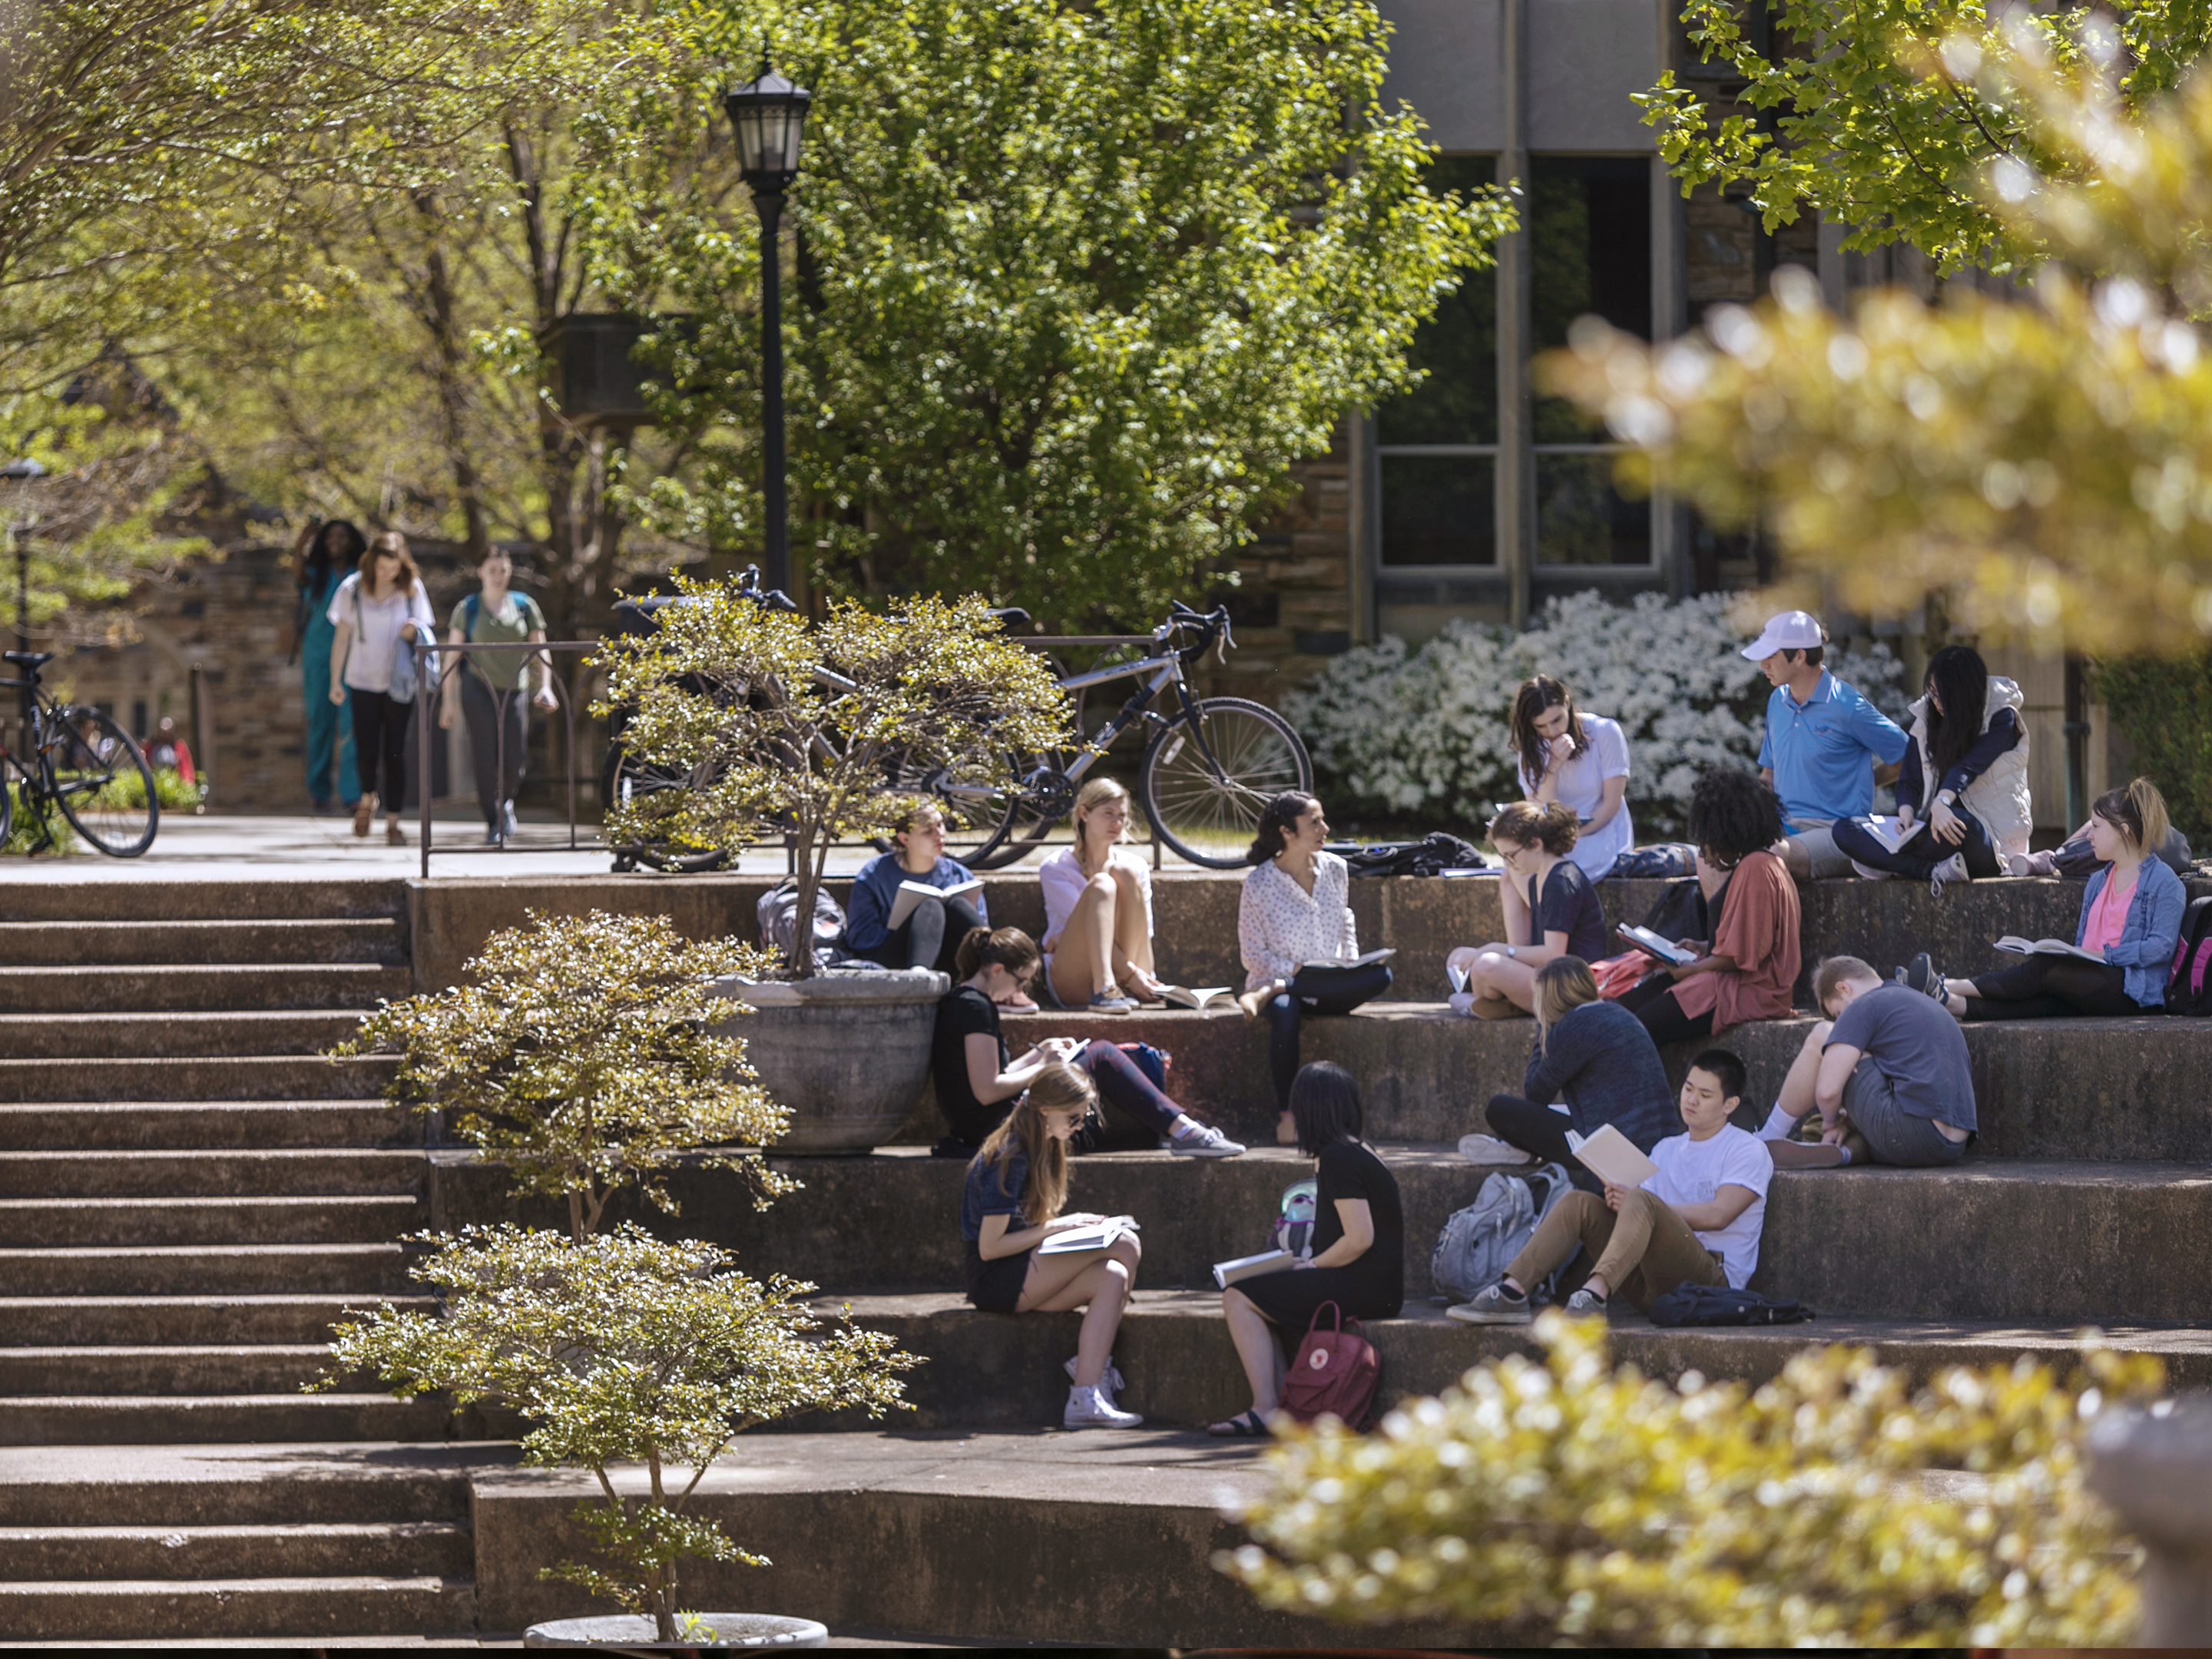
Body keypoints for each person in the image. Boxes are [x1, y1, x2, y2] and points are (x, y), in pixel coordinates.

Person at [1449, 1048, 1770, 1323]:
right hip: (1654, 1285)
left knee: (1642, 1200)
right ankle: (1512, 1292)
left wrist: (1641, 1204)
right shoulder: (1667, 1149)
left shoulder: (1746, 1149)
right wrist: (1621, 1201)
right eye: (1688, 1088)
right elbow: (1644, 1216)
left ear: (1729, 1105)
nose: (1691, 1100)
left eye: (1705, 1095)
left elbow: (1719, 1215)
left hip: (1712, 1283)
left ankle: (1593, 1296)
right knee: (1580, 1204)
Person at [931, 927, 1244, 1157]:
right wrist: (1044, 1068)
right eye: (1020, 982)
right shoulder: (976, 1008)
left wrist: (1039, 1054)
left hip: (980, 1127)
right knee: (1102, 1054)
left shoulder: (963, 1001)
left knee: (1097, 1056)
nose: (1018, 992)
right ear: (997, 970)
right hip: (995, 1130)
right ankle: (1185, 1131)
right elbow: (987, 1091)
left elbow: (990, 1075)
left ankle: (1176, 1128)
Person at [1209, 1062, 1402, 1436]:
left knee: (1237, 1296)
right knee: (1259, 1287)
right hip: (1374, 1284)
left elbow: (1360, 1238)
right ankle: (1283, 1409)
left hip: (1364, 1287)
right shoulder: (1357, 1150)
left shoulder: (1337, 1157)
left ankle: (1265, 1408)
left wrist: (1311, 1266)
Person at [1902, 779, 2184, 1022]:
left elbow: (2160, 948)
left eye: (2096, 827)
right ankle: (1951, 1002)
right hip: (2093, 979)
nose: (2089, 836)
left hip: (2132, 991)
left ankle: (1949, 984)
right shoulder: (2098, 880)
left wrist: (2105, 956)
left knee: (2047, 971)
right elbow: (2084, 943)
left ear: (2123, 830)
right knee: (2047, 997)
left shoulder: (2164, 882)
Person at [960, 1063, 1146, 1429]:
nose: (1079, 1125)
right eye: (1074, 1117)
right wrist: (1061, 1225)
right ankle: (1092, 1373)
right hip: (996, 1278)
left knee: (1112, 1275)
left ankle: (1086, 1389)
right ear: (1045, 1109)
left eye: (1085, 1116)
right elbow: (990, 1248)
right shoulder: (1010, 1155)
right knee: (1125, 1243)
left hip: (1023, 1268)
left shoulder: (1041, 1143)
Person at [1237, 792, 1392, 1145]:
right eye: (1314, 823)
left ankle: (1276, 990)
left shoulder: (1335, 868)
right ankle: (1288, 1116)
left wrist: (1351, 959)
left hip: (1328, 982)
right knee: (1285, 1013)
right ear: (1287, 832)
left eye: (1322, 820)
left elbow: (1344, 917)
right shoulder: (1259, 884)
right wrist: (1293, 972)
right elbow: (1252, 955)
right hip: (1285, 980)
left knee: (1381, 975)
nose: (1325, 829)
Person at [1618, 769, 1800, 1046]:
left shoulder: (1756, 869)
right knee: (1625, 1009)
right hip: (1733, 982)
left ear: (1728, 835)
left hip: (1747, 992)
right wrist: (1702, 947)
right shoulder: (1761, 865)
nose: (1702, 855)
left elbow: (1740, 958)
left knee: (1634, 1030)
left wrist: (1692, 971)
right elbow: (1752, 943)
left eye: (1706, 844)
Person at [1830, 645, 2028, 893]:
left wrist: (1941, 803)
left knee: (1960, 823)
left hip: (1990, 840)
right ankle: (1928, 871)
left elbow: (1968, 767)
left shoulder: (2002, 718)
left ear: (1965, 694)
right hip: (1933, 830)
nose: (1937, 703)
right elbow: (1908, 780)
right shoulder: (1927, 717)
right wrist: (1906, 814)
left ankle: (1895, 863)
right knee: (1845, 830)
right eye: (1932, 694)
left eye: (1943, 696)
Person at [1467, 955, 1678, 1187]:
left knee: (1499, 1109)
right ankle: (1521, 1150)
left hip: (1616, 1155)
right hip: (1657, 1148)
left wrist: (1545, 1025)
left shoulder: (1574, 1026)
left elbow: (1535, 1093)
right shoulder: (1618, 1012)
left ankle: (1521, 1149)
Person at [1760, 957, 1975, 1169]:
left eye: (1838, 1014)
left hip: (1911, 1131)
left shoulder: (1864, 1004)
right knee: (1863, 1122)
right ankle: (1846, 1154)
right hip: (1952, 1146)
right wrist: (1846, 1122)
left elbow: (1827, 1092)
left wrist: (1830, 1122)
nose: (1841, 1021)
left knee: (1823, 1034)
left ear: (1843, 988)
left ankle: (1766, 1138)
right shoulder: (1921, 1001)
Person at [1744, 610, 1909, 880]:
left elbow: (1908, 756)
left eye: (1770, 656)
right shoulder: (1777, 701)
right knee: (1715, 857)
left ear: (1799, 656)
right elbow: (1769, 775)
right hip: (1782, 831)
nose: (1763, 665)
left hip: (1840, 835)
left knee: (1768, 858)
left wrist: (1867, 780)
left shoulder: (1848, 706)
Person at [1447, 801, 1608, 1020]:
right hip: (1547, 978)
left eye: (1510, 855)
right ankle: (1511, 1004)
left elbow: (1554, 955)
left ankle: (1510, 1004)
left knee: (1486, 965)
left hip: (1571, 988)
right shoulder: (1537, 878)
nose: (1507, 863)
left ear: (1536, 844)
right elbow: (1525, 948)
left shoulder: (1560, 881)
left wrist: (1497, 950)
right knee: (1457, 958)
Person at [439, 547, 557, 845]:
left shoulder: (524, 605)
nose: (498, 576)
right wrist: (448, 701)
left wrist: (546, 686)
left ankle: (506, 801)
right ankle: (493, 821)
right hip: (477, 688)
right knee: (484, 755)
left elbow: (540, 649)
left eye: (503, 570)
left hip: (515, 688)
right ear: (481, 572)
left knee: (514, 756)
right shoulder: (468, 607)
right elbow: (451, 657)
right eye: (492, 570)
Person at [327, 530, 435, 846]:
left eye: (394, 568)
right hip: (361, 679)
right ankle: (367, 798)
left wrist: (411, 633)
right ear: (372, 563)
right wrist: (335, 681)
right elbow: (342, 637)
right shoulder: (352, 590)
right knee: (365, 749)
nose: (388, 574)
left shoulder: (412, 591)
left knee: (396, 752)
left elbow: (426, 634)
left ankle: (394, 821)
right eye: (383, 567)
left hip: (399, 684)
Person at [1038, 778, 1166, 1014]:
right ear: (1084, 814)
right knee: (1102, 885)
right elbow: (1087, 931)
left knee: (1122, 873)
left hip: (1131, 972)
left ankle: (1117, 986)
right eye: (1108, 813)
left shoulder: (1135, 865)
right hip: (1075, 979)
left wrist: (1135, 973)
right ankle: (1105, 988)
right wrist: (1131, 973)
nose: (1116, 823)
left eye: (1122, 815)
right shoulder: (1055, 868)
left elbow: (1143, 932)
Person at [846, 803, 998, 980]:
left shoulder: (960, 874)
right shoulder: (874, 874)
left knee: (958, 905)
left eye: (940, 825)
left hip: (953, 960)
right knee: (930, 908)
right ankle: (918, 981)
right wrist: (914, 929)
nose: (939, 834)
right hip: (895, 963)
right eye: (928, 831)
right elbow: (859, 937)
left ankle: (1001, 969)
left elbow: (979, 928)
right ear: (905, 839)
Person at [1512, 674, 1634, 882]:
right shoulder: (1532, 748)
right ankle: (1546, 915)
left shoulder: (1604, 732)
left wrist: (1573, 836)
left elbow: (1611, 805)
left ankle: (1549, 914)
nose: (1552, 731)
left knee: (1545, 873)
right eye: (1541, 726)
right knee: (1511, 876)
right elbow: (1542, 812)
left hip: (1600, 833)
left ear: (1567, 703)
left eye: (1557, 720)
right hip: (1554, 837)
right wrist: (1552, 769)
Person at [290, 518, 366, 815]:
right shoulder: (314, 573)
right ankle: (319, 791)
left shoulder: (360, 575)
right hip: (318, 655)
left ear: (352, 542)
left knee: (352, 726)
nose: (336, 541)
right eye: (330, 536)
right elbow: (296, 569)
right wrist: (302, 540)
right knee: (320, 724)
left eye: (342, 536)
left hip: (353, 657)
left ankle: (351, 795)